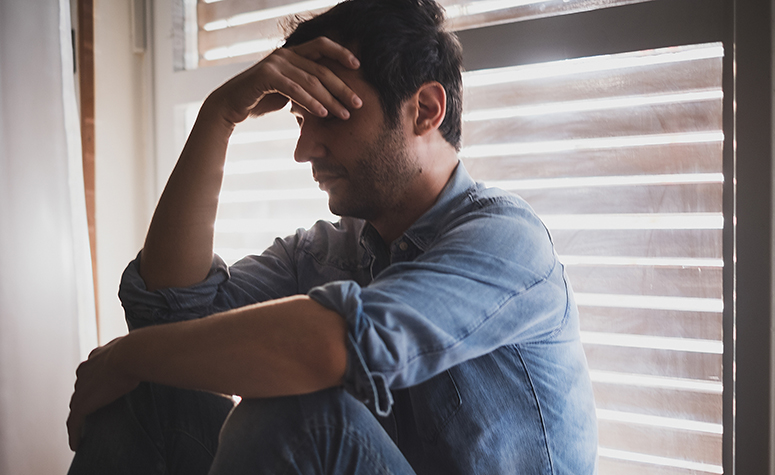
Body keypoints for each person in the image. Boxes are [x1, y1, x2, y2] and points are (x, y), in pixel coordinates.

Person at [67, 0, 598, 473]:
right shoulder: (328, 250)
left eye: (328, 114)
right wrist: (219, 117)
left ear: (426, 110)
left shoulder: (506, 240)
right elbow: (170, 315)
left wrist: (123, 357)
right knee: (155, 386)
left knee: (294, 410)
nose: (304, 150)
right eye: (301, 118)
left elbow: (331, 346)